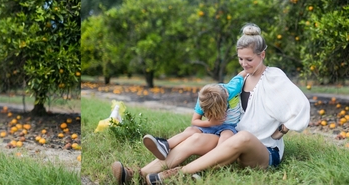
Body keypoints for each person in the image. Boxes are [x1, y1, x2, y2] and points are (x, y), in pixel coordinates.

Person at [111, 23, 310, 184]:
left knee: (244, 138)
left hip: (263, 151)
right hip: (232, 141)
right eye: (240, 59)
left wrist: (282, 130)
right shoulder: (242, 78)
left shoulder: (274, 76)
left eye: (249, 59)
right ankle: (136, 174)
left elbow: (301, 105)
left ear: (262, 55)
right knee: (196, 138)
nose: (244, 64)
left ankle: (178, 173)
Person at [142, 70, 246, 160]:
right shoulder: (204, 99)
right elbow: (195, 121)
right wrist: (210, 122)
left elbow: (243, 73)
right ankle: (165, 145)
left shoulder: (233, 88)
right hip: (210, 126)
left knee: (226, 137)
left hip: (228, 126)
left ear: (226, 97)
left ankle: (214, 159)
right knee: (191, 130)